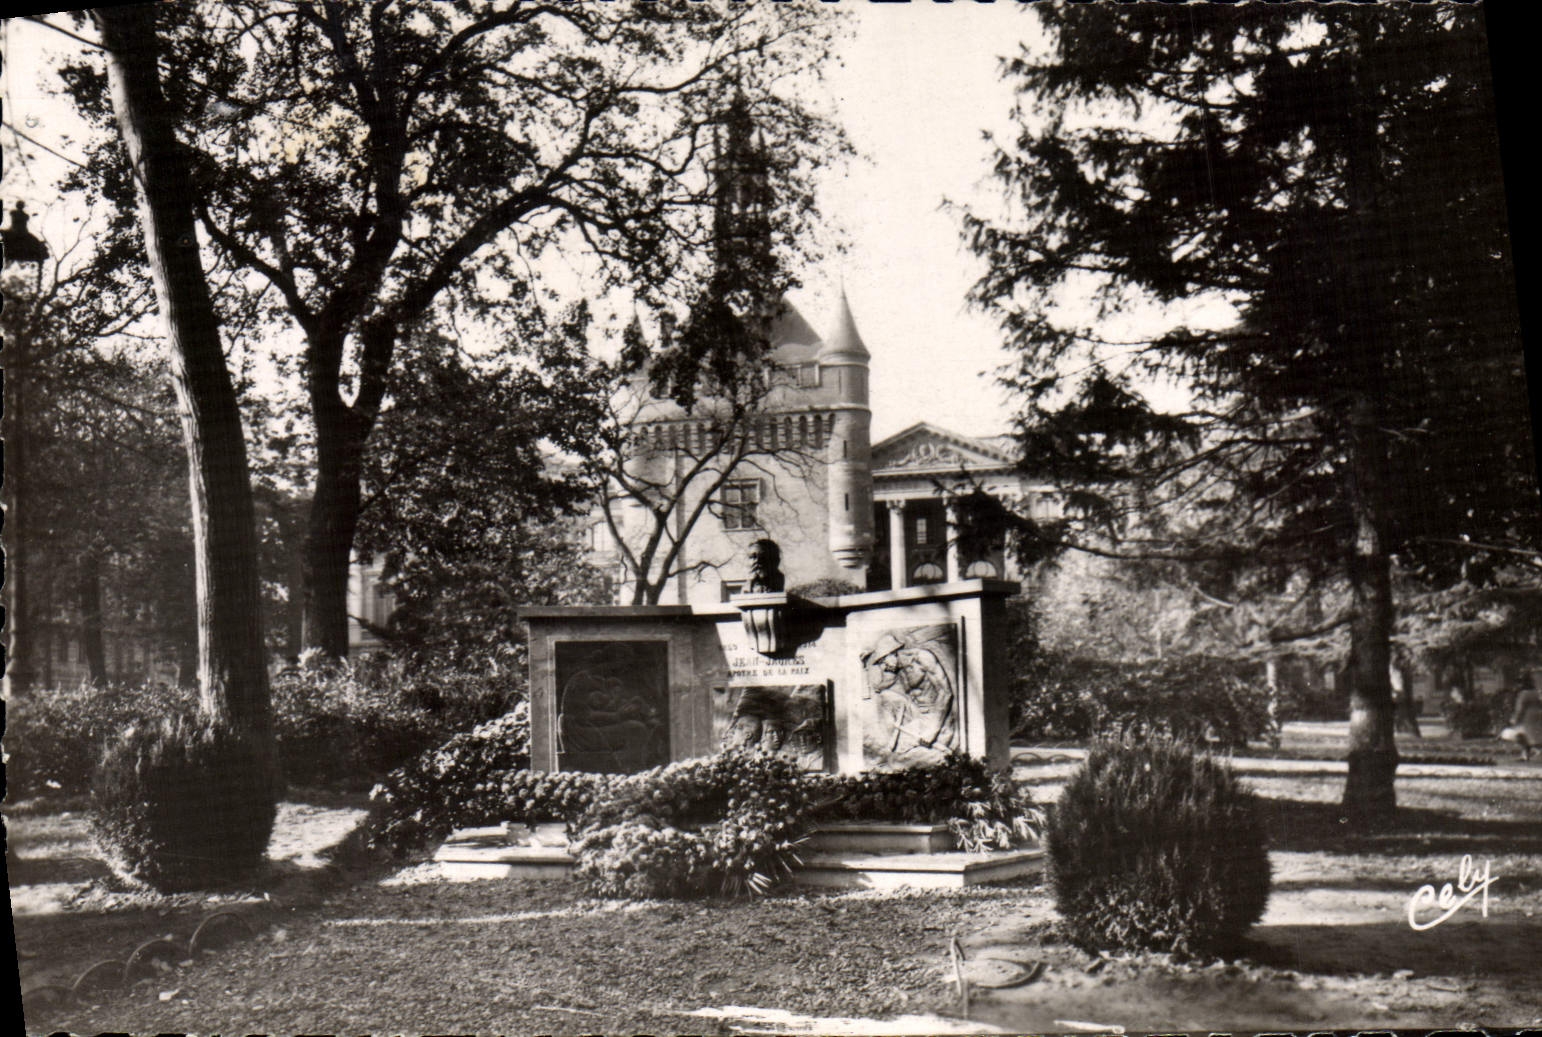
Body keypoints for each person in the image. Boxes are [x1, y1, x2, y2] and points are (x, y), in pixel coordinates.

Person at [1501, 674, 1542, 761]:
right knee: (1533, 736)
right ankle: (1527, 754)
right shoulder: (1536, 693)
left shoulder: (1523, 694)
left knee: (1520, 736)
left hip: (1527, 717)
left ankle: (1527, 754)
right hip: (1538, 715)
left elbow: (1520, 708)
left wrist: (1514, 719)